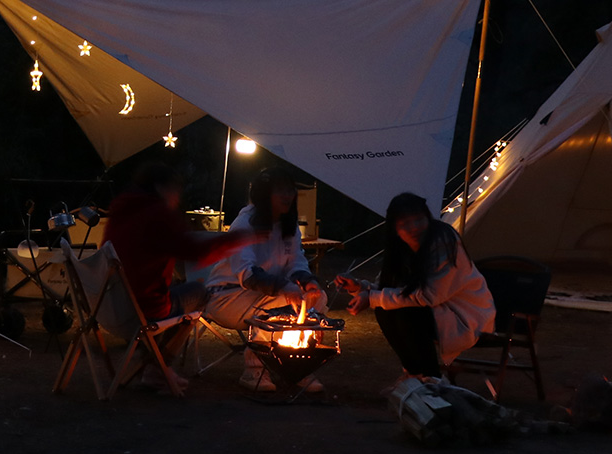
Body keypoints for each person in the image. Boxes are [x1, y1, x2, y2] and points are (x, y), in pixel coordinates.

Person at [103, 161, 253, 393]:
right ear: (162, 188)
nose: (178, 197)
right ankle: (157, 368)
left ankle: (150, 363)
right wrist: (239, 238)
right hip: (141, 310)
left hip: (109, 307)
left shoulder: (121, 211)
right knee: (198, 294)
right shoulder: (157, 213)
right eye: (176, 190)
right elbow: (195, 252)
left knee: (175, 286)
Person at [334, 192, 495, 384]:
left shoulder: (443, 240)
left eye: (418, 220)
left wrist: (373, 297)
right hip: (436, 312)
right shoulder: (401, 248)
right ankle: (414, 374)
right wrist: (361, 287)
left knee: (404, 311)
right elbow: (393, 290)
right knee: (388, 309)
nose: (413, 229)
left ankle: (429, 378)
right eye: (405, 224)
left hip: (464, 316)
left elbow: (429, 296)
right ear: (395, 228)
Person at [204, 166, 327, 392]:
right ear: (264, 194)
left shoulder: (288, 225)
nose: (287, 196)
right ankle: (255, 370)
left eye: (290, 190)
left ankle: (298, 367)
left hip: (262, 295)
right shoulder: (245, 224)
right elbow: (247, 274)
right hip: (226, 296)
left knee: (316, 299)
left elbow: (295, 262)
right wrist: (283, 286)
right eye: (279, 191)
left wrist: (307, 281)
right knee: (281, 303)